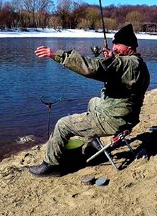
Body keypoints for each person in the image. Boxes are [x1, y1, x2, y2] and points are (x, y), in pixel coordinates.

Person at [30, 24, 150, 176]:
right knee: (93, 101)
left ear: (128, 46)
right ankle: (93, 143)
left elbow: (93, 68)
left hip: (114, 119)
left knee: (62, 125)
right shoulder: (139, 64)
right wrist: (113, 61)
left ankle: (50, 166)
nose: (114, 48)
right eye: (113, 45)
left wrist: (57, 55)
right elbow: (123, 79)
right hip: (128, 116)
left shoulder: (128, 64)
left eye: (117, 45)